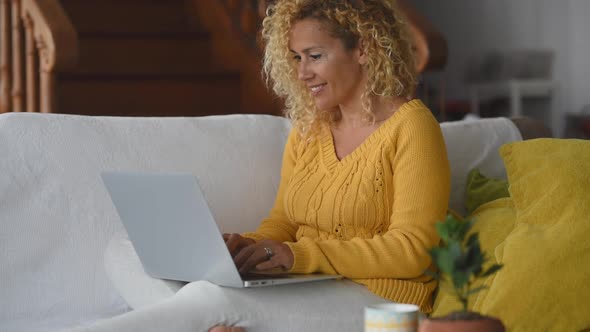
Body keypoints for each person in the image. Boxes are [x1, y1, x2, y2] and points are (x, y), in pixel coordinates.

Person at [74, 1, 450, 331]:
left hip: (380, 298)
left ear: (364, 49)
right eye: (297, 57)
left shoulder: (412, 126)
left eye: (315, 55)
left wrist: (297, 257)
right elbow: (284, 221)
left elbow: (414, 249)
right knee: (122, 250)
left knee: (211, 303)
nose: (303, 73)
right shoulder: (309, 130)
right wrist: (243, 249)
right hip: (307, 284)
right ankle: (211, 325)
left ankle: (210, 323)